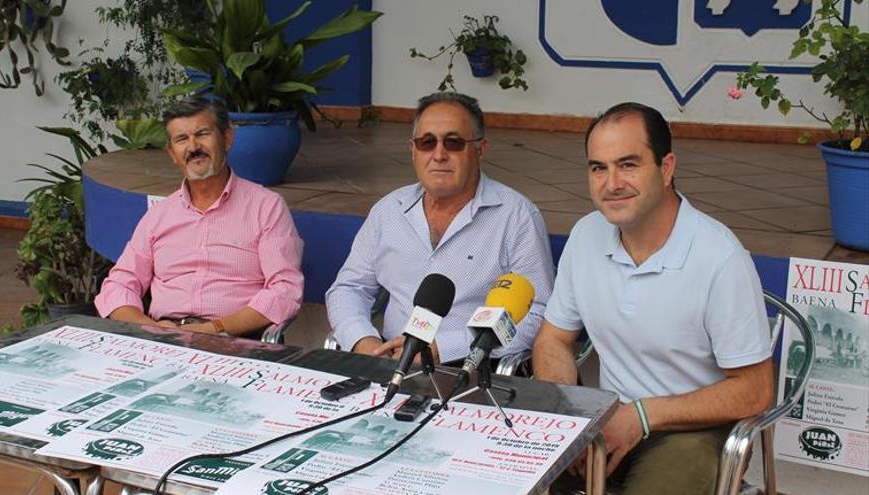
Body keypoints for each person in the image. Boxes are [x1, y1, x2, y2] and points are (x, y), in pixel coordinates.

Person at [532, 102, 773, 494]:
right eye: (598, 168)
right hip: (606, 415)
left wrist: (641, 416)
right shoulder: (585, 235)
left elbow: (756, 388)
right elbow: (553, 339)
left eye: (628, 165)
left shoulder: (719, 258)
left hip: (694, 430)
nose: (611, 183)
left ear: (666, 168)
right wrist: (571, 418)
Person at [326, 92, 554, 364]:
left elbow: (537, 313)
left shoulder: (516, 216)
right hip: (387, 359)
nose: (439, 154)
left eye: (454, 142)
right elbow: (348, 288)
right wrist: (363, 340)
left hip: (472, 367)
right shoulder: (388, 211)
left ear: (480, 149)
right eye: (427, 142)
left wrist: (444, 348)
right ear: (413, 149)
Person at [94, 97, 304, 336]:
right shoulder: (159, 216)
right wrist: (149, 328)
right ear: (172, 153)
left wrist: (215, 329)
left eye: (202, 134)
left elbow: (285, 291)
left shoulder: (266, 207)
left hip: (233, 340)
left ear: (227, 139)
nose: (193, 147)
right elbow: (119, 285)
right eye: (181, 139)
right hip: (163, 338)